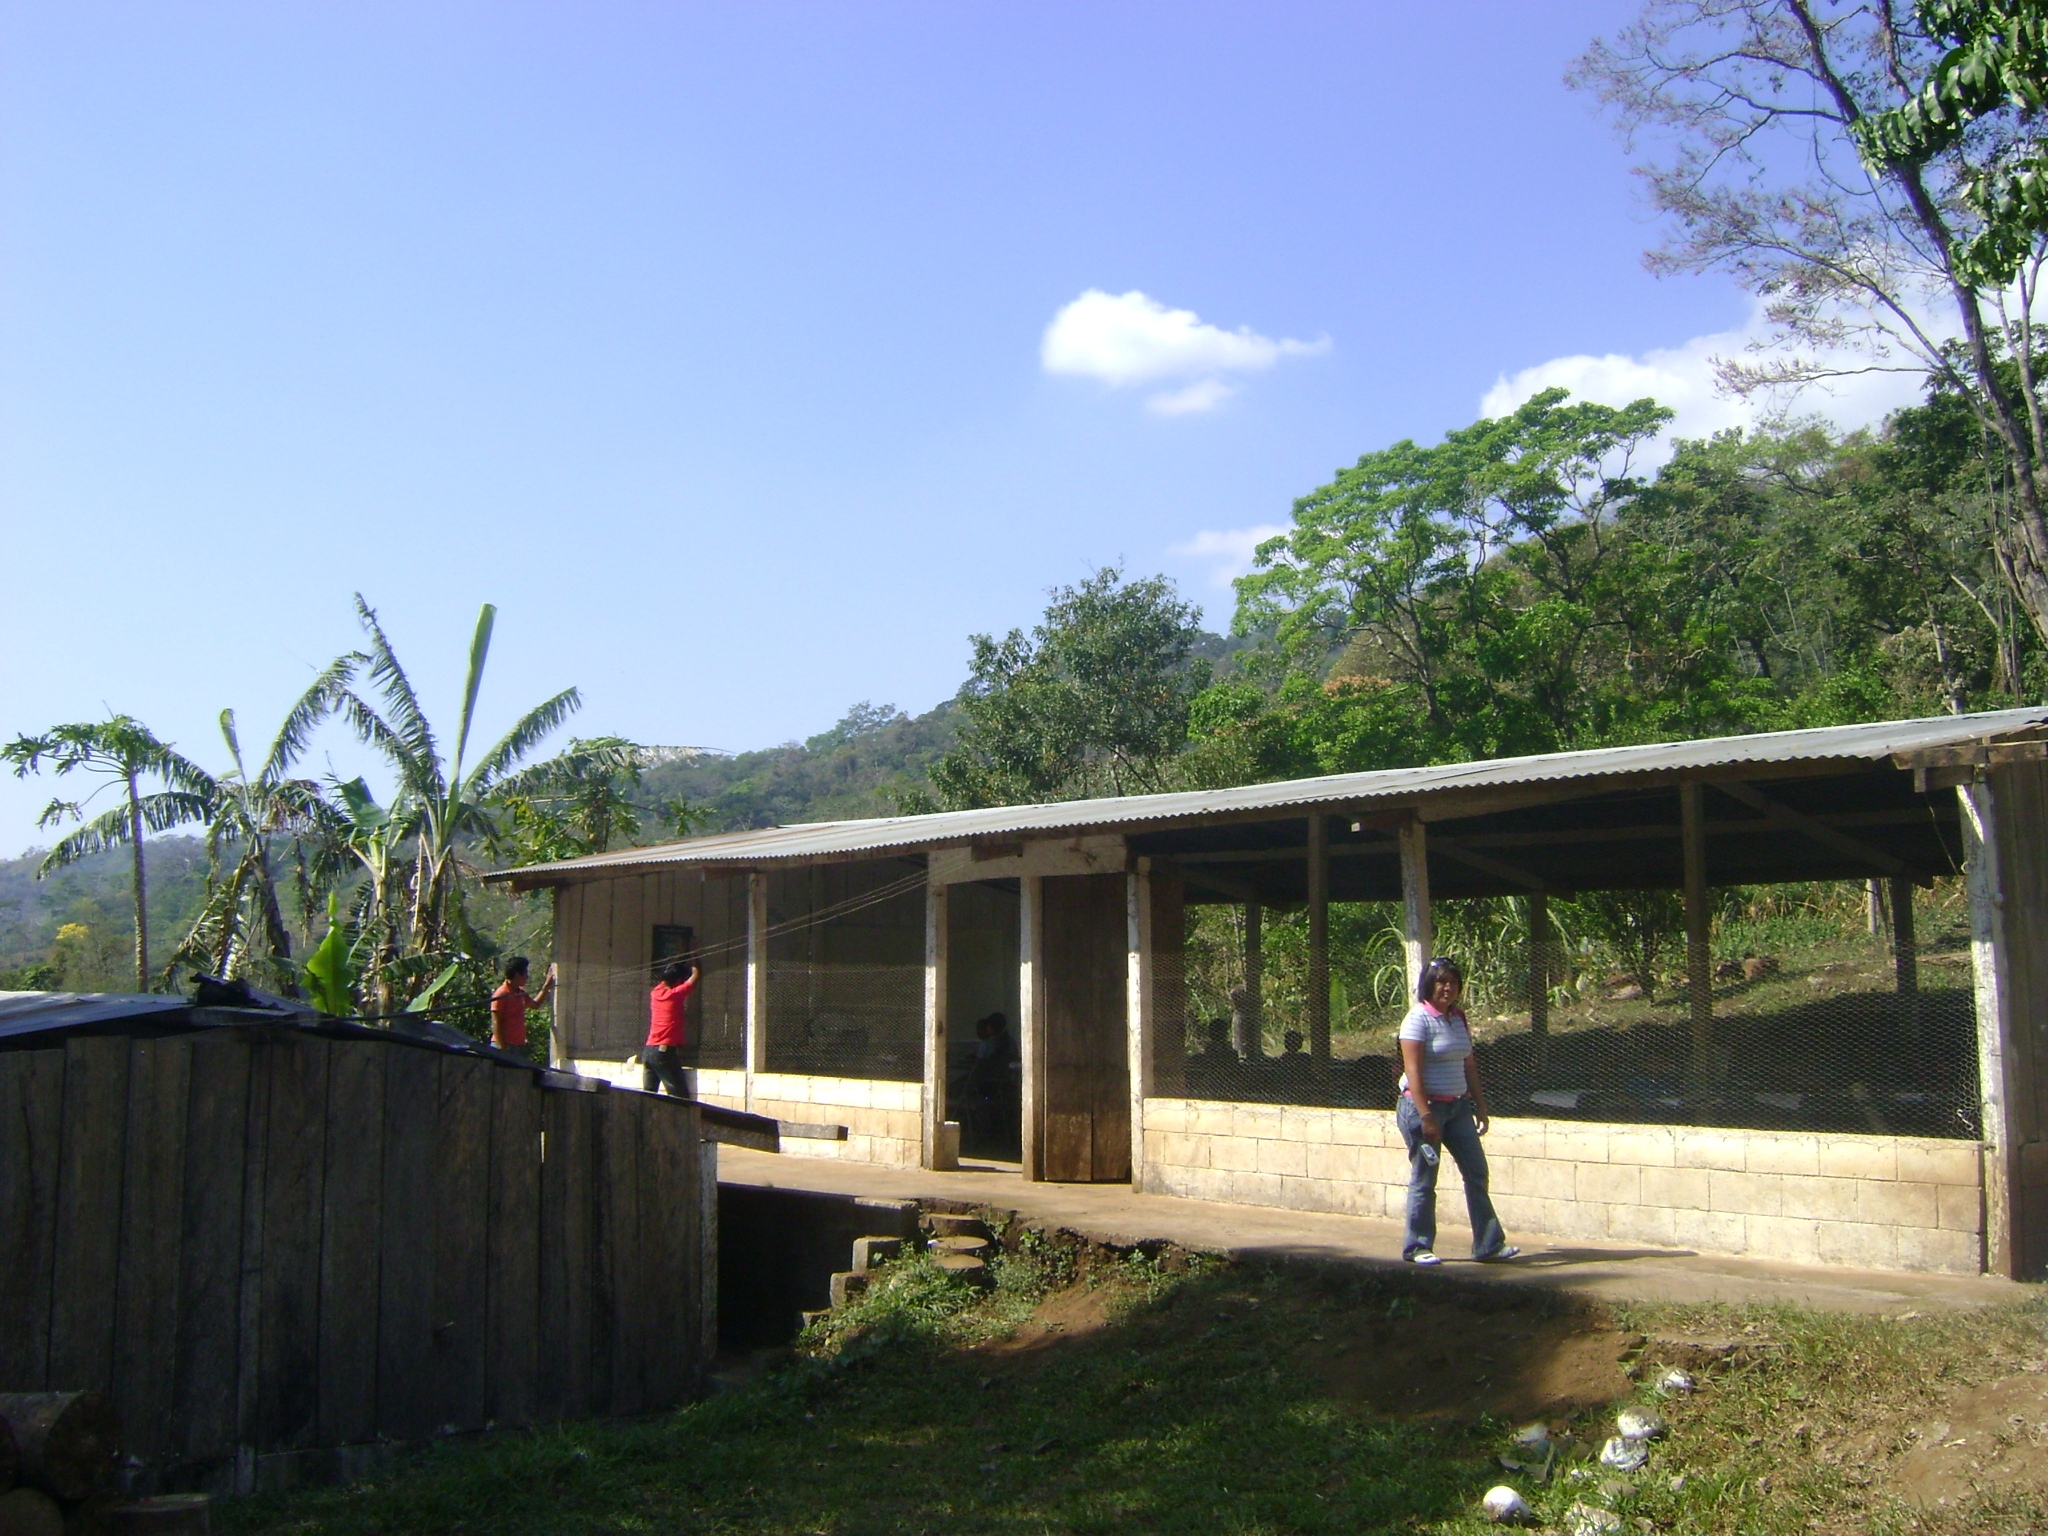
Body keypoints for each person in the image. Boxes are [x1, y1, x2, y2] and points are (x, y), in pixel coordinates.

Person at [1396, 956, 1518, 1267]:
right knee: (1425, 1178)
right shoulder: (1417, 1019)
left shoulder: (1458, 1018)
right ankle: (1418, 1246)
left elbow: (1469, 1064)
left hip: (1458, 1107)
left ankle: (1488, 1244)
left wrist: (1481, 1104)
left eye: (1453, 982)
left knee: (1476, 1172)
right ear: (1429, 985)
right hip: (1425, 1109)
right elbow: (1413, 1071)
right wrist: (1425, 1117)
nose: (1447, 988)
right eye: (1441, 982)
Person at [643, 959, 700, 1096]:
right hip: (664, 1053)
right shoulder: (675, 995)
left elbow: (667, 979)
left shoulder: (655, 993)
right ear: (678, 980)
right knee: (679, 1096)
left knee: (649, 1095)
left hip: (649, 1051)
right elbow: (695, 976)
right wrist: (694, 961)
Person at [490, 956, 555, 1054]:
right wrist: (503, 1048)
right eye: (525, 974)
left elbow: (535, 1005)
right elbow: (496, 1023)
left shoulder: (520, 993)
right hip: (504, 1046)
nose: (527, 977)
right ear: (517, 975)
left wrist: (546, 987)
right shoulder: (501, 994)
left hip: (518, 1046)